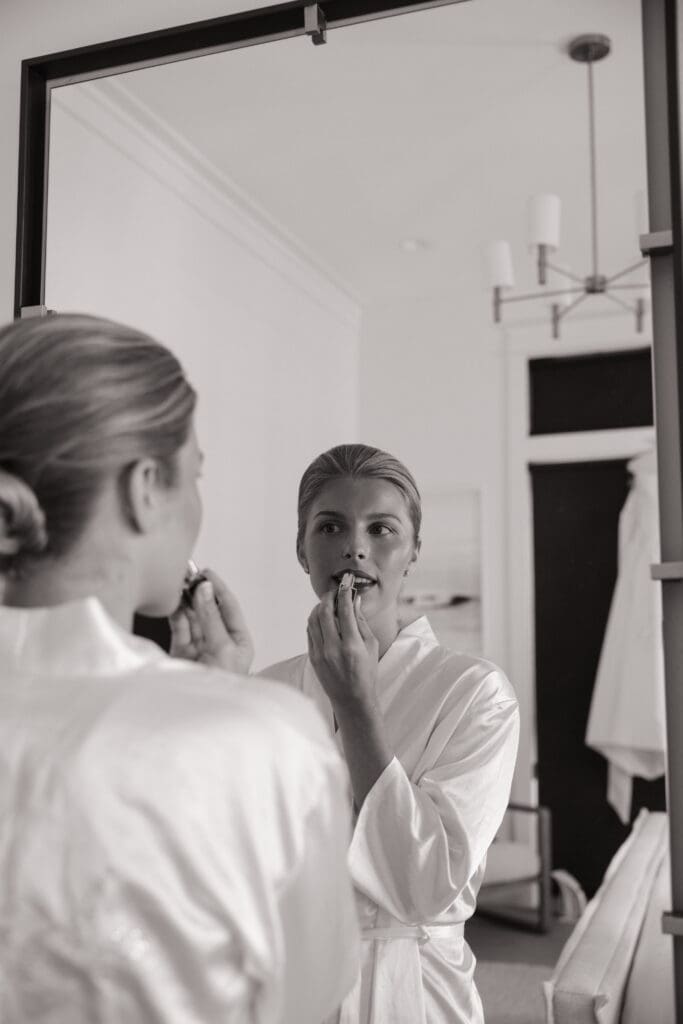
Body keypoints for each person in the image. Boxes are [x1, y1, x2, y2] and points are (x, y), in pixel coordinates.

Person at [0, 314, 359, 1024]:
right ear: (145, 489)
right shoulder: (264, 737)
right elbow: (310, 998)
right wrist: (222, 700)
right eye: (193, 475)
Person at [260, 444, 520, 1024]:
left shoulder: (475, 693)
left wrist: (356, 706)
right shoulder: (265, 692)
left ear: (413, 552)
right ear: (302, 550)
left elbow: (426, 888)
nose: (355, 546)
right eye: (330, 526)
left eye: (382, 528)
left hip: (412, 992)